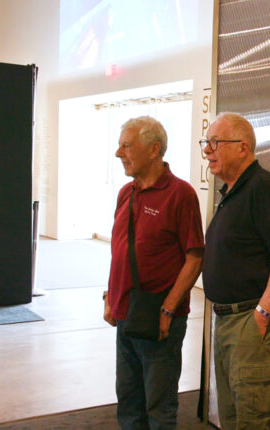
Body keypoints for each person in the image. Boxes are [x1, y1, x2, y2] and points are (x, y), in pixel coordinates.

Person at [201, 112, 270, 430]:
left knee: (255, 418)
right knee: (235, 416)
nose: (207, 150)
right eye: (206, 142)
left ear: (242, 147)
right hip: (231, 320)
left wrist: (261, 315)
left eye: (215, 142)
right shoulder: (234, 192)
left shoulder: (263, 188)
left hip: (251, 321)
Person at [104, 116, 205, 429]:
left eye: (126, 145)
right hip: (126, 314)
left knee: (159, 408)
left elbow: (194, 257)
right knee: (129, 401)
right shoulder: (126, 193)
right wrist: (110, 297)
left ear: (154, 149)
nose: (119, 153)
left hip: (160, 318)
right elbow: (119, 251)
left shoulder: (181, 194)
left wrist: (168, 309)